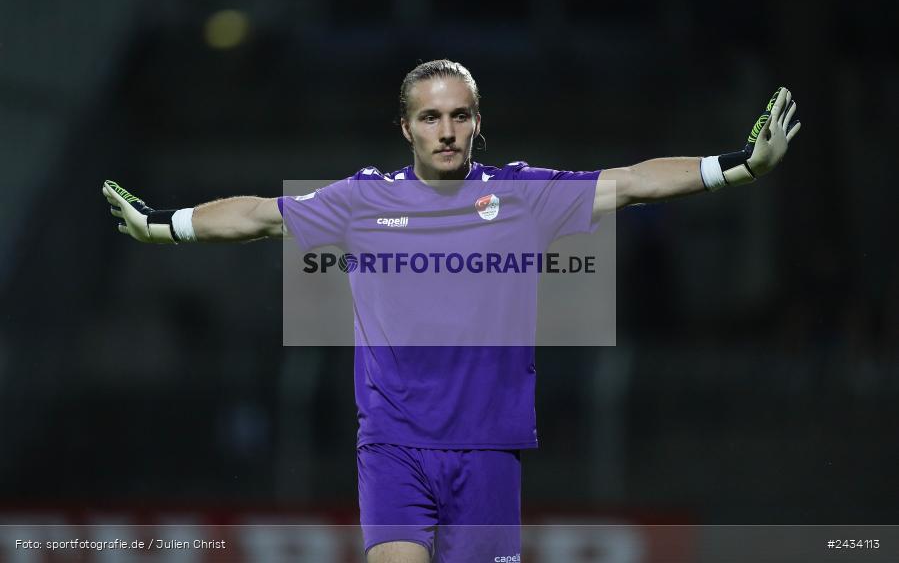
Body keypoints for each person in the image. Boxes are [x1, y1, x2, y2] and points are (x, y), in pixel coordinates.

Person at [102, 59, 800, 563]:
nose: (445, 130)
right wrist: (163, 225)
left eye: (458, 115)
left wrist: (739, 164)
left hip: (488, 447)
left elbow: (631, 184)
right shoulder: (361, 200)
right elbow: (256, 215)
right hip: (393, 444)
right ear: (405, 127)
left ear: (476, 123)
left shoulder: (522, 194)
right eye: (430, 116)